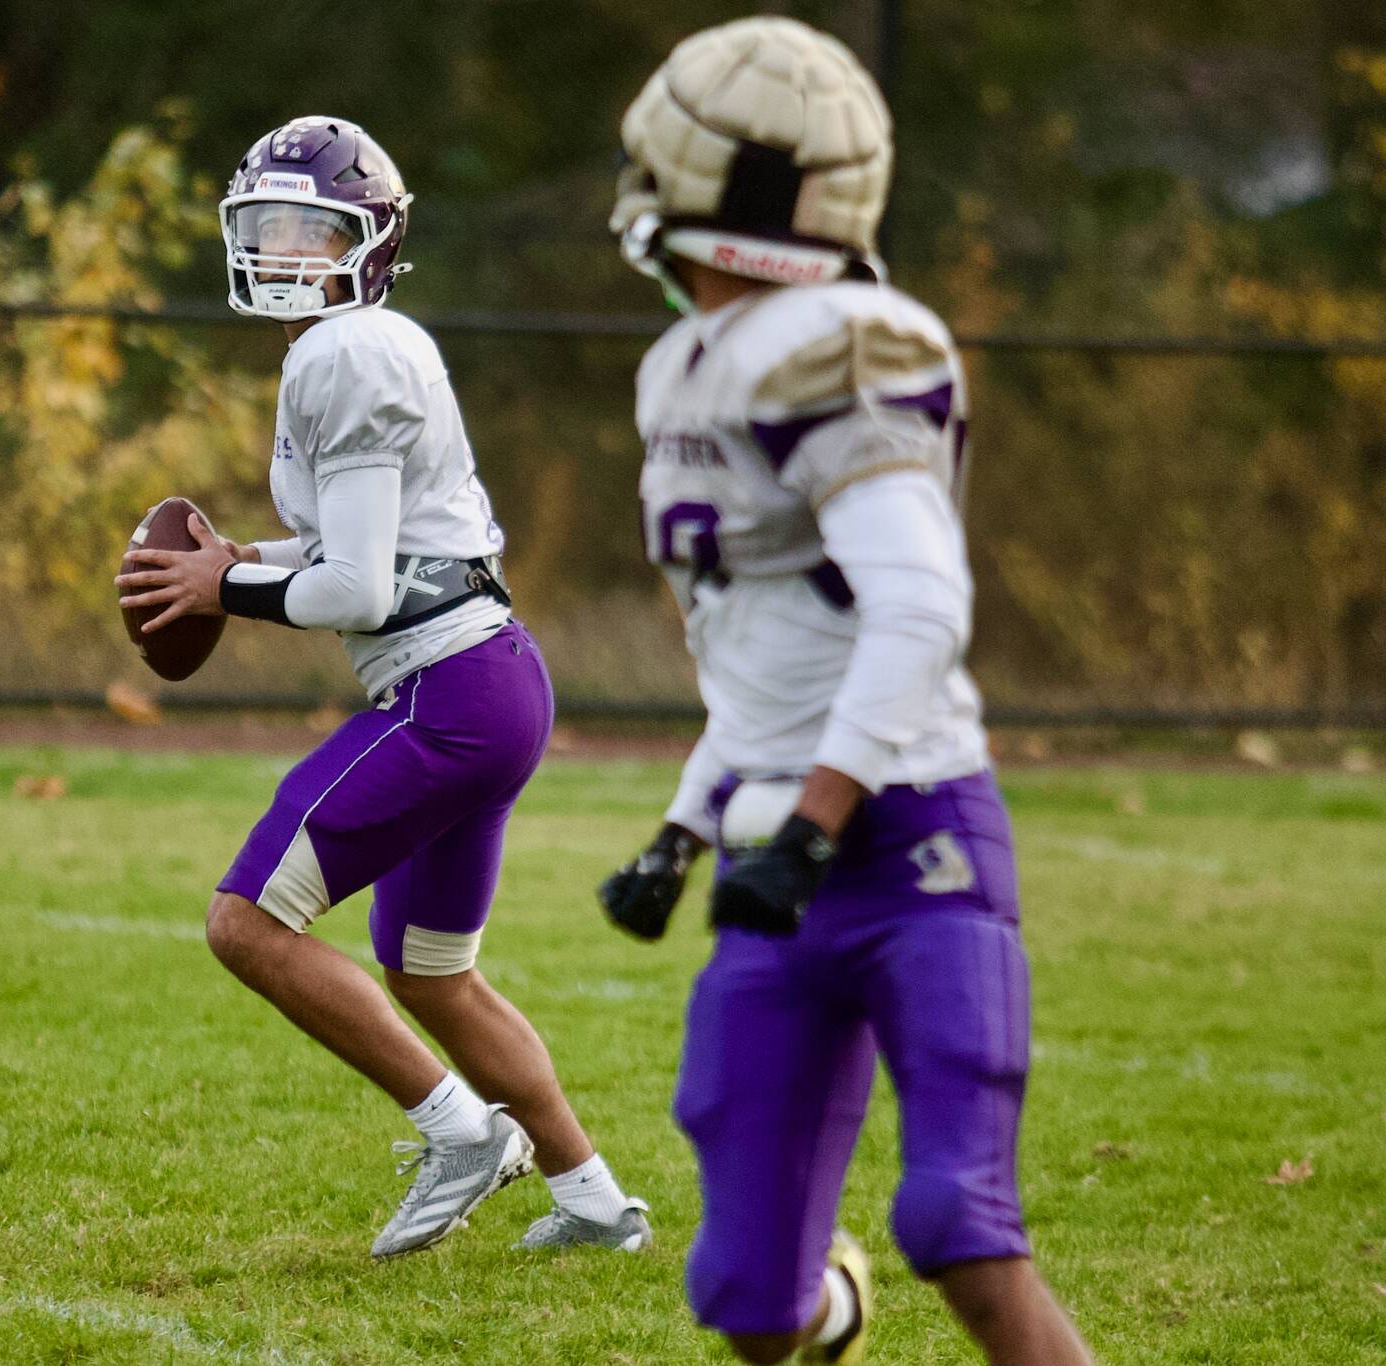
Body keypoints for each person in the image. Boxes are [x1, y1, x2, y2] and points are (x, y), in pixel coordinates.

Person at [595, 20, 1096, 1365]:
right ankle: (839, 1311)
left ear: (720, 184)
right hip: (777, 849)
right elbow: (767, 656)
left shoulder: (848, 343)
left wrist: (813, 821)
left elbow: (920, 609)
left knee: (959, 1222)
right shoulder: (684, 365)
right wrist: (684, 831)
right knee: (747, 1292)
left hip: (909, 836)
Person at [115, 116, 647, 1258]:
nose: (283, 249)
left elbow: (354, 589)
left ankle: (460, 1131)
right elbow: (372, 559)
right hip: (489, 679)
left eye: (311, 228)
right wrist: (242, 564)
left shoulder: (343, 353)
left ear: (369, 240)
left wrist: (224, 588)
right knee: (432, 974)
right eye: (266, 227)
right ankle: (595, 1201)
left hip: (446, 693)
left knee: (245, 922)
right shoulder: (356, 346)